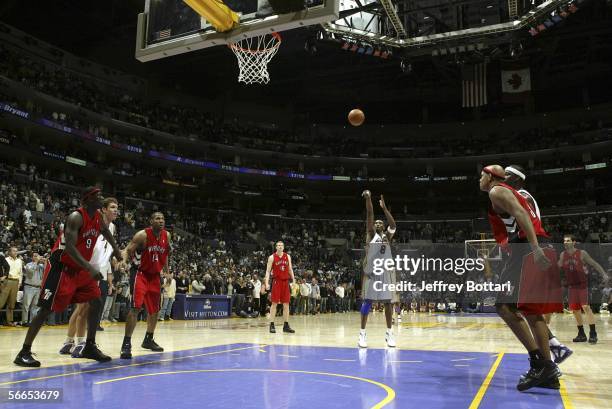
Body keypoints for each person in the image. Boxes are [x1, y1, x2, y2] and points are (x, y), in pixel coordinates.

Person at [14, 187, 123, 367]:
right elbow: (71, 248)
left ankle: (89, 345)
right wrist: (89, 267)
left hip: (80, 268)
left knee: (96, 301)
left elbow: (106, 232)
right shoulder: (76, 217)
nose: (101, 198)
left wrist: (118, 252)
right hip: (61, 266)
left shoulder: (97, 217)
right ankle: (23, 352)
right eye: (97, 196)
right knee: (46, 309)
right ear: (88, 200)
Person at [480, 165, 562, 391]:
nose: (479, 179)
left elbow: (521, 214)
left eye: (481, 175)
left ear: (491, 177)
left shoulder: (497, 190)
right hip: (536, 245)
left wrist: (534, 249)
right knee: (532, 310)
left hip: (527, 248)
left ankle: (539, 362)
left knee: (504, 307)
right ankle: (548, 372)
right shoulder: (521, 194)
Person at [504, 165, 573, 364]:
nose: (503, 177)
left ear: (517, 180)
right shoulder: (519, 195)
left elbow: (527, 223)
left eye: (507, 174)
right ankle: (554, 347)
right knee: (519, 306)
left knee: (519, 307)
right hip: (531, 249)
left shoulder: (521, 196)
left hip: (532, 250)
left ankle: (546, 362)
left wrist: (528, 246)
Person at [60, 197, 120, 357]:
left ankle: (68, 342)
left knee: (81, 308)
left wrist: (112, 259)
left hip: (96, 269)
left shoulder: (112, 227)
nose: (115, 210)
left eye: (117, 207)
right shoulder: (95, 224)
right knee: (84, 308)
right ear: (104, 209)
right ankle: (80, 344)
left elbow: (105, 249)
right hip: (86, 267)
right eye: (112, 207)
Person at [120, 212, 171, 359]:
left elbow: (165, 254)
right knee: (135, 307)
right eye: (157, 218)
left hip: (155, 276)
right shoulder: (142, 235)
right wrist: (124, 261)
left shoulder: (166, 236)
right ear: (151, 221)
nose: (161, 221)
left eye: (162, 218)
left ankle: (148, 339)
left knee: (155, 310)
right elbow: (128, 249)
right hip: (140, 274)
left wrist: (167, 272)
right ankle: (126, 343)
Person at [359, 190, 397, 348]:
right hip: (371, 272)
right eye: (377, 223)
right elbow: (369, 213)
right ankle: (362, 334)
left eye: (381, 223)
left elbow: (393, 225)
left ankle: (389, 334)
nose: (379, 224)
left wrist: (385, 209)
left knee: (388, 303)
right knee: (367, 302)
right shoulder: (371, 234)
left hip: (384, 273)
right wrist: (368, 198)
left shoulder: (387, 237)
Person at [559, 234, 609, 344]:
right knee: (575, 310)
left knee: (586, 307)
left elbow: (594, 264)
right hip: (571, 286)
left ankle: (593, 333)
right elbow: (558, 266)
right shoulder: (563, 255)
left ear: (574, 242)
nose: (565, 242)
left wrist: (604, 274)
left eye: (568, 240)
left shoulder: (581, 253)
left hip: (582, 285)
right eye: (564, 241)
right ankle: (581, 334)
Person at [264, 241, 295, 334]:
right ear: (276, 247)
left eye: (281, 245)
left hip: (286, 282)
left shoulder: (288, 256)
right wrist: (266, 282)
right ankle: (271, 324)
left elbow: (290, 269)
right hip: (276, 282)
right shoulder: (272, 257)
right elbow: (268, 271)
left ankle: (286, 325)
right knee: (274, 304)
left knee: (286, 304)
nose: (280, 247)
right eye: (278, 245)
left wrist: (293, 280)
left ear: (284, 247)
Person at [1, 246, 23, 326]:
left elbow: (21, 273)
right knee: (1, 302)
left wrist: (19, 283)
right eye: (13, 251)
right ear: (9, 252)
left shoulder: (19, 261)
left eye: (16, 251)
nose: (15, 252)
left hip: (16, 282)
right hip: (6, 281)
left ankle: (9, 321)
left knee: (11, 304)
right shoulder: (5, 260)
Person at [22, 253, 45, 326]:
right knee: (26, 305)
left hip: (38, 288)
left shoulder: (41, 266)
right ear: (32, 257)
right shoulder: (29, 265)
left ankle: (32, 321)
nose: (36, 257)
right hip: (29, 287)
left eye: (37, 256)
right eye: (34, 256)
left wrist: (45, 261)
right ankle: (24, 321)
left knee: (35, 306)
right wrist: (36, 262)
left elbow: (47, 270)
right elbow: (30, 273)